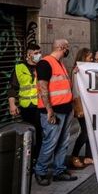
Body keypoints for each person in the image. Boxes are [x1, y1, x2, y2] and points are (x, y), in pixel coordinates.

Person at [33, 39, 77, 186]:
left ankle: (59, 171)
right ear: (62, 48)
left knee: (63, 143)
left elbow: (63, 86)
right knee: (50, 143)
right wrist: (49, 110)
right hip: (53, 112)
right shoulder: (45, 63)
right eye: (67, 48)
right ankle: (40, 171)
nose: (68, 50)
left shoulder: (60, 64)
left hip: (65, 109)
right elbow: (42, 88)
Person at [8, 43, 43, 160]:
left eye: (39, 53)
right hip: (26, 108)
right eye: (36, 53)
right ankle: (28, 159)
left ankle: (37, 160)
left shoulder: (43, 66)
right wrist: (12, 105)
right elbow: (13, 88)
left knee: (40, 134)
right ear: (28, 54)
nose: (39, 55)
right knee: (28, 134)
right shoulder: (19, 68)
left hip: (40, 105)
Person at [70, 48, 94, 169]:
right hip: (82, 106)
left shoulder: (86, 70)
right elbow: (76, 92)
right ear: (84, 57)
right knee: (85, 132)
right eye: (90, 57)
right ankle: (74, 156)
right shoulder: (77, 71)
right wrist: (79, 106)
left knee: (89, 132)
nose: (92, 59)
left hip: (89, 106)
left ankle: (88, 156)